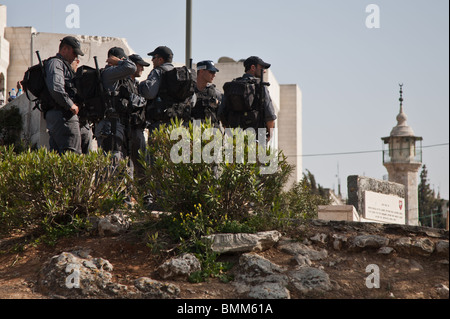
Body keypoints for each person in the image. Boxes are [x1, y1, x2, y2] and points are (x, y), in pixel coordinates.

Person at [219, 56, 277, 141]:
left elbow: (221, 113)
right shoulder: (260, 87)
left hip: (235, 139)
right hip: (256, 138)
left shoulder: (232, 86)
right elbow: (270, 116)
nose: (264, 71)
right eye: (262, 68)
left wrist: (230, 132)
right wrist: (270, 135)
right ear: (253, 67)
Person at [94, 47, 136, 163]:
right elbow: (131, 67)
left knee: (114, 162)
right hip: (110, 125)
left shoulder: (116, 77)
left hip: (113, 124)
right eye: (122, 60)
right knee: (112, 162)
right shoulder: (109, 73)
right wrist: (119, 62)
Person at [44, 36, 84, 154]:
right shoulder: (56, 62)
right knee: (72, 156)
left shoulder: (62, 64)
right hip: (63, 115)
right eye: (74, 53)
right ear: (65, 49)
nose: (76, 57)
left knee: (59, 158)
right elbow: (56, 88)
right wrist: (71, 105)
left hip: (59, 115)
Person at [139, 46, 175, 134]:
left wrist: (141, 85)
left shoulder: (158, 71)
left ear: (160, 59)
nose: (152, 60)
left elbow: (149, 93)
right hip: (177, 124)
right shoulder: (180, 74)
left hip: (160, 124)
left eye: (153, 57)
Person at [127, 54, 150, 182]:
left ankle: (143, 196)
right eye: (140, 65)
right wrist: (144, 100)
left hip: (138, 128)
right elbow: (132, 101)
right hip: (130, 129)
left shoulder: (136, 84)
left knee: (142, 166)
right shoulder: (125, 82)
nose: (142, 68)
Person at [71, 57, 94, 154]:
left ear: (77, 62)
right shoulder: (66, 78)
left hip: (85, 123)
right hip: (72, 122)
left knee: (87, 155)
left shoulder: (82, 78)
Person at [191, 60, 222, 128]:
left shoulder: (216, 93)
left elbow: (223, 115)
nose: (214, 75)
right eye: (211, 72)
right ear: (201, 71)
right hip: (194, 133)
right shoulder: (189, 92)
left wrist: (218, 104)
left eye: (215, 72)